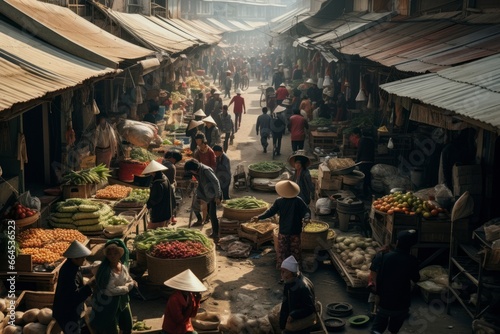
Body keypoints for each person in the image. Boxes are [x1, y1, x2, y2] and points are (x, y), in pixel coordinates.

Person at [370, 230, 420, 334]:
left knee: (378, 327)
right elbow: (416, 278)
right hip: (401, 303)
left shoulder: (384, 256)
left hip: (384, 300)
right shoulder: (412, 260)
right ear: (412, 246)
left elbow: (373, 267)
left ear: (397, 242)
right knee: (394, 328)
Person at [252, 180, 310, 269]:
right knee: (295, 251)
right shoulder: (298, 200)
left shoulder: (279, 201)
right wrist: (306, 218)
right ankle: (296, 269)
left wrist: (259, 217)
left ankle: (282, 269)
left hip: (284, 231)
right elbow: (306, 211)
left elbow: (270, 212)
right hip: (295, 230)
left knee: (282, 252)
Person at [90, 239, 136, 334]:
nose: (113, 256)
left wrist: (128, 285)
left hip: (122, 299)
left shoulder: (122, 267)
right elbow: (109, 291)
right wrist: (127, 288)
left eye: (115, 253)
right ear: (106, 256)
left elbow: (129, 279)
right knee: (111, 327)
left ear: (120, 254)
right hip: (109, 303)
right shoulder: (106, 271)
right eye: (110, 254)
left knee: (127, 323)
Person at [53, 241, 94, 333]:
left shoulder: (72, 265)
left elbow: (79, 270)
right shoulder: (69, 274)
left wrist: (91, 268)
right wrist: (89, 285)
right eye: (82, 258)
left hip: (70, 310)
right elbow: (75, 296)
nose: (85, 259)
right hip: (66, 313)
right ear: (74, 259)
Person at [184, 159, 221, 241]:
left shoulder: (205, 170)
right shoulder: (196, 171)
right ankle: (200, 220)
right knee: (195, 206)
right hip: (203, 191)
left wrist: (217, 196)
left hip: (212, 193)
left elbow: (216, 182)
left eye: (191, 170)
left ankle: (216, 233)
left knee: (212, 214)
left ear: (194, 169)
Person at [279, 256, 317, 334]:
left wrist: (294, 315)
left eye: (284, 272)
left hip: (305, 318)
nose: (282, 275)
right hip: (295, 313)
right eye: (281, 271)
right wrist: (282, 324)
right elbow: (285, 303)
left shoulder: (303, 287)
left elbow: (310, 309)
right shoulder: (289, 282)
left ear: (292, 273)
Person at [161, 269, 206, 334]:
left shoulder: (191, 295)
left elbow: (193, 314)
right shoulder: (174, 299)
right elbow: (178, 319)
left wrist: (197, 300)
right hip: (173, 328)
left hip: (185, 326)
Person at [143, 160, 175, 229]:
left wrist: (147, 205)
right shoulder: (164, 177)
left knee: (156, 230)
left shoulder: (158, 183)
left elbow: (156, 199)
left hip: (160, 212)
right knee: (163, 228)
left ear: (153, 171)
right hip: (166, 210)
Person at [162, 150, 183, 224]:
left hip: (163, 186)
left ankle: (168, 218)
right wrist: (174, 183)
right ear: (174, 159)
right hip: (169, 187)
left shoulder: (163, 162)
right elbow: (171, 180)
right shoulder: (171, 166)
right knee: (170, 203)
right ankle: (169, 218)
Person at [356, 128, 375, 197]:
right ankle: (369, 191)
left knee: (363, 177)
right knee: (368, 176)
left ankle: (365, 192)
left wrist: (357, 160)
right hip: (370, 161)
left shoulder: (362, 140)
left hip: (363, 161)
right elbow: (373, 152)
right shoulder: (372, 141)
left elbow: (359, 151)